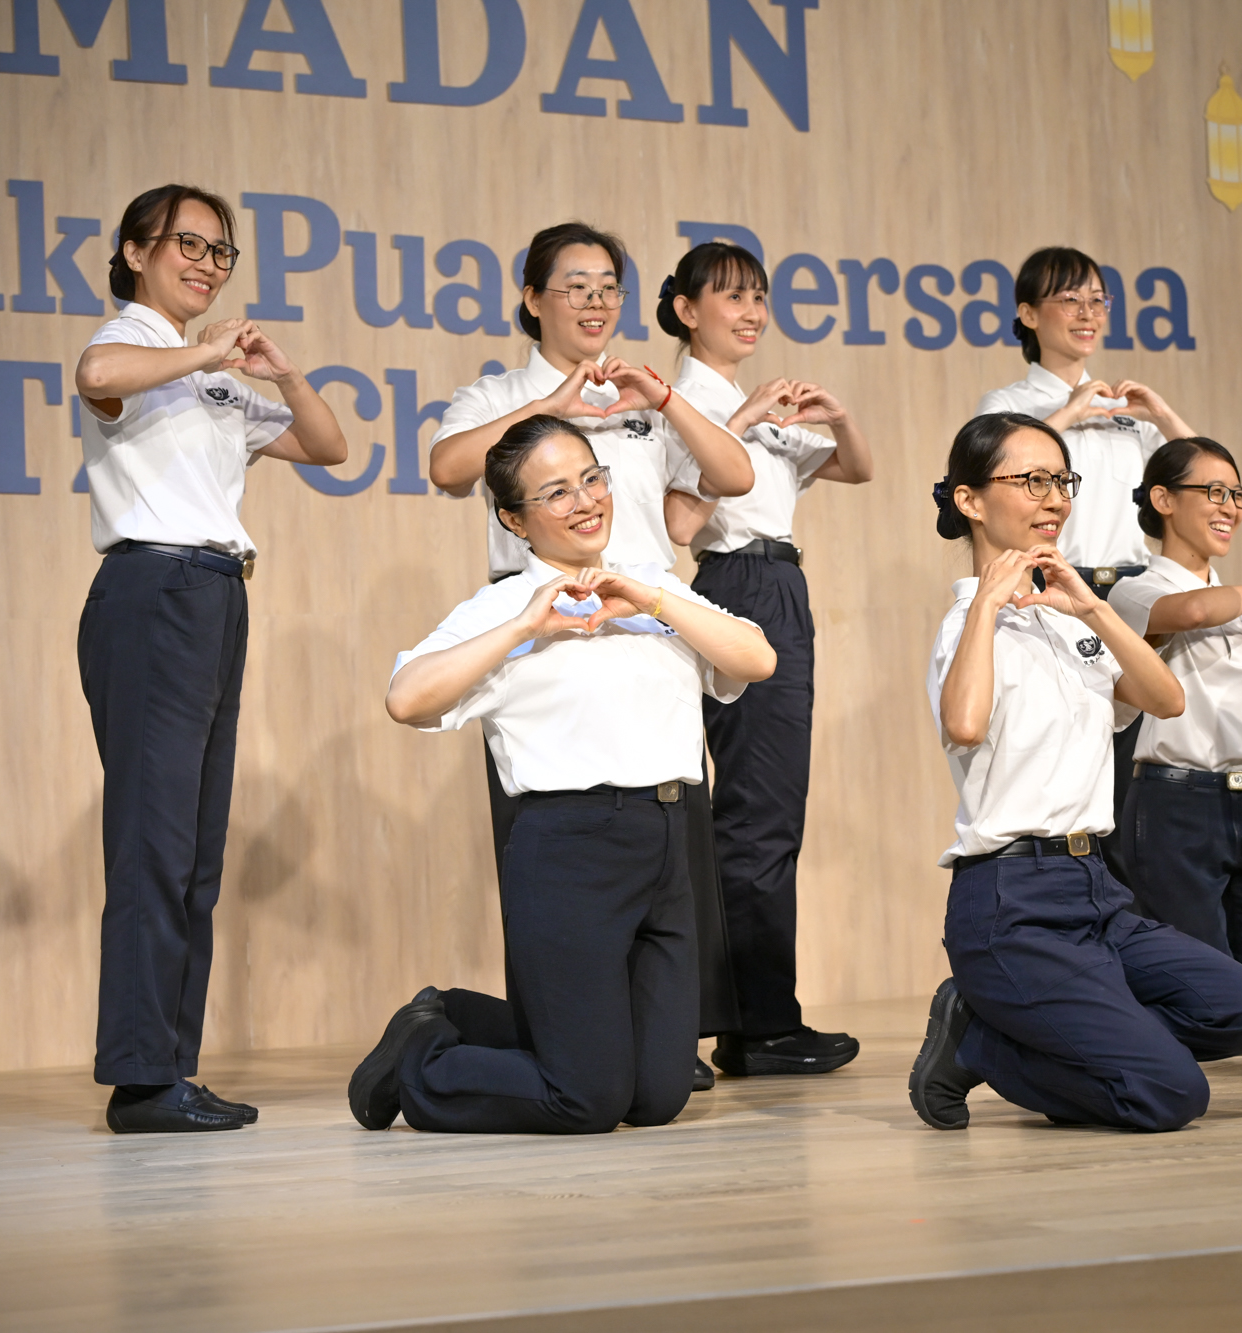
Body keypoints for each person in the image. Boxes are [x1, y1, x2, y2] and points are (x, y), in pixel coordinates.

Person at [351, 416, 774, 1135]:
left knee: (657, 1096)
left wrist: (651, 599)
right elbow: (405, 697)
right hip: (570, 850)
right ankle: (422, 1056)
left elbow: (756, 658)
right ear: (514, 520)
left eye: (591, 478)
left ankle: (453, 1012)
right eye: (555, 492)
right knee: (585, 1098)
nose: (585, 501)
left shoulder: (651, 587)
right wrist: (524, 628)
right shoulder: (503, 608)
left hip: (671, 842)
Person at [425, 222, 757, 1081]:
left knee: (671, 832)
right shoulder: (500, 393)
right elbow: (448, 466)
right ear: (532, 299)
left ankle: (662, 1041)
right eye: (573, 285)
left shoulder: (647, 397)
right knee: (560, 849)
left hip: (649, 617)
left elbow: (735, 475)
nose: (595, 300)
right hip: (546, 630)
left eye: (609, 284)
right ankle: (553, 1040)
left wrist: (667, 398)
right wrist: (554, 408)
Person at [906, 413, 1242, 1133]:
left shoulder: (1067, 620)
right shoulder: (964, 624)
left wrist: (1094, 607)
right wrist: (987, 598)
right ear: (970, 500)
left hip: (1098, 892)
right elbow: (965, 723)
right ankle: (979, 1040)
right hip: (1012, 902)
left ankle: (1051, 1029)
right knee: (1170, 1095)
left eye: (1062, 481)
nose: (1056, 499)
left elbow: (1165, 699)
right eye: (1031, 480)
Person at [73, 184, 349, 1133]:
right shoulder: (131, 347)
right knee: (153, 842)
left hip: (216, 594)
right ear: (135, 250)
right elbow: (95, 370)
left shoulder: (222, 379)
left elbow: (329, 446)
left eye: (221, 252)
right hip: (152, 593)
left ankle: (171, 1069)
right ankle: (141, 1077)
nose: (207, 263)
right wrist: (207, 351)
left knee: (193, 852)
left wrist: (282, 371)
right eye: (188, 244)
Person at [655, 242, 875, 1077]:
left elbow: (856, 468)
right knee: (754, 813)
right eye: (731, 298)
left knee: (770, 809)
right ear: (685, 310)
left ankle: (757, 1015)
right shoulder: (688, 402)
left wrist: (838, 415)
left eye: (759, 298)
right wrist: (741, 420)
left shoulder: (760, 397)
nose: (750, 313)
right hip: (737, 582)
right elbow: (681, 520)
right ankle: (755, 1022)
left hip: (781, 582)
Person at [975, 246, 1198, 883]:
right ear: (1027, 313)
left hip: (1132, 589)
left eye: (1097, 300)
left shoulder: (1128, 412)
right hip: (1056, 583)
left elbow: (1200, 476)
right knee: (1074, 761)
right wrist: (1071, 412)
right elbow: (991, 470)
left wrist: (1158, 416)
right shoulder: (1010, 401)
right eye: (1069, 299)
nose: (1087, 312)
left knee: (1139, 772)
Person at [1109, 438, 1242, 1054]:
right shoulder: (1131, 591)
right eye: (1213, 493)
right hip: (1176, 801)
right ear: (1162, 499)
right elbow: (1189, 610)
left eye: (1236, 494)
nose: (1230, 507)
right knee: (1203, 990)